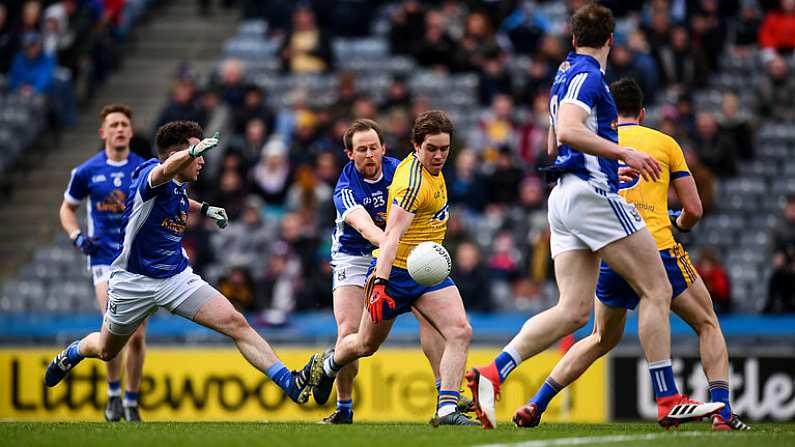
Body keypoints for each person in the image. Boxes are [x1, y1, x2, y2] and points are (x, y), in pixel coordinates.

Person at [465, 4, 720, 430]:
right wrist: (622, 153)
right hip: (591, 197)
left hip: (564, 196)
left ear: (571, 38)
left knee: (573, 311)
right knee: (656, 288)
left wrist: (603, 162)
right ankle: (667, 398)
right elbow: (566, 131)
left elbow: (553, 145)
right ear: (611, 41)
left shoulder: (562, 75)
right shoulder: (588, 75)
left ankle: (494, 372)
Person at [516, 78, 749, 431]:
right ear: (642, 112)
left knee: (599, 338)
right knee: (707, 322)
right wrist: (680, 224)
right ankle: (723, 413)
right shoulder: (664, 143)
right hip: (656, 247)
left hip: (611, 253)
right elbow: (695, 209)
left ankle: (536, 403)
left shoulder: (598, 143)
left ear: (608, 113)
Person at [45, 121, 322, 408]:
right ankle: (73, 352)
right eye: (197, 154)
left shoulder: (178, 186)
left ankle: (289, 382)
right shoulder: (148, 174)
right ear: (180, 153)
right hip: (132, 282)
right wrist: (191, 152)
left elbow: (177, 194)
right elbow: (164, 171)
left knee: (236, 323)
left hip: (175, 278)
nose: (202, 161)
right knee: (106, 350)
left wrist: (203, 208)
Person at [312, 111, 477, 426]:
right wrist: (381, 282)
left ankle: (447, 401)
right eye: (361, 149)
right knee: (358, 340)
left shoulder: (405, 168)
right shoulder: (359, 186)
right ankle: (331, 380)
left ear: (384, 148)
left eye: (374, 146)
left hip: (413, 263)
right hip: (367, 260)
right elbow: (377, 233)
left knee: (453, 328)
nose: (370, 154)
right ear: (350, 154)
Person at [59, 104, 147, 422]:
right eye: (114, 124)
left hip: (139, 262)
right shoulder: (86, 171)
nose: (120, 129)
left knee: (137, 337)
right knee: (113, 330)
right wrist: (77, 237)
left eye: (124, 123)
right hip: (104, 261)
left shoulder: (144, 169)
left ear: (131, 131)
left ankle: (132, 400)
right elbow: (66, 210)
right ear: (103, 132)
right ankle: (113, 395)